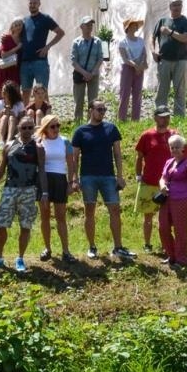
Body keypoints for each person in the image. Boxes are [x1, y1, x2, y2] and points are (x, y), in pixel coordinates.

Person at [70, 102, 130, 262]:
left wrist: (120, 176)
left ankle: (118, 247)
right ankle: (92, 246)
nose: (102, 112)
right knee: (89, 211)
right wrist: (74, 178)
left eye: (104, 109)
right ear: (90, 110)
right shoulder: (80, 131)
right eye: (99, 109)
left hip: (108, 176)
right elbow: (74, 158)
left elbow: (117, 154)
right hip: (88, 177)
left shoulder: (111, 129)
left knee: (115, 210)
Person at [0, 118, 40, 274]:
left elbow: (42, 169)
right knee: (1, 224)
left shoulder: (37, 147)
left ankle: (20, 258)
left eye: (30, 127)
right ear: (18, 128)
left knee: (26, 226)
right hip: (10, 189)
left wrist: (43, 192)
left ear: (34, 129)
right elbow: (1, 168)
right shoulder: (9, 145)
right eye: (24, 127)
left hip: (29, 190)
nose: (27, 130)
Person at [129, 107, 173, 253]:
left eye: (167, 117)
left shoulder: (174, 135)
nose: (165, 119)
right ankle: (147, 244)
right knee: (148, 216)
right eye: (162, 117)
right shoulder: (147, 135)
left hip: (168, 183)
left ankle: (166, 245)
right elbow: (139, 157)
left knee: (166, 218)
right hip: (149, 181)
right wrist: (138, 175)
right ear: (155, 118)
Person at [35, 114, 74, 262]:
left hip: (60, 179)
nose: (56, 129)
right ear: (45, 128)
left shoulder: (65, 141)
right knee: (45, 216)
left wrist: (70, 182)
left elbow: (71, 163)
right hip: (44, 180)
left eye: (58, 125)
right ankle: (47, 248)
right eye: (53, 126)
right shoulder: (39, 141)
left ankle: (66, 250)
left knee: (61, 217)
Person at [156, 133, 187, 268]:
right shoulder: (169, 162)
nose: (174, 150)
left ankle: (181, 258)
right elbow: (163, 178)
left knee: (180, 229)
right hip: (166, 198)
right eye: (172, 147)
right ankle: (171, 255)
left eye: (177, 147)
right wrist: (162, 185)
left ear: (183, 148)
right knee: (163, 227)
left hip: (181, 198)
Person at [152, 0, 187, 118]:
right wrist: (153, 51)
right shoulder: (162, 21)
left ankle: (179, 117)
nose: (177, 7)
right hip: (164, 59)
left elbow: (186, 38)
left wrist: (169, 32)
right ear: (170, 7)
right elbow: (152, 37)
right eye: (174, 5)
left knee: (180, 90)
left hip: (181, 59)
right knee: (162, 90)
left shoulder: (186, 21)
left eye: (179, 5)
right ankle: (160, 115)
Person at [19, 0, 63, 94]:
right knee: (25, 93)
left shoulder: (45, 18)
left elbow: (60, 33)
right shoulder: (24, 20)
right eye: (30, 3)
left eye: (35, 3)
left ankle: (45, 105)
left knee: (43, 93)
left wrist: (47, 47)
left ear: (39, 4)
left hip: (40, 62)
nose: (32, 5)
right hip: (25, 63)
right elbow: (16, 36)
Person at [68, 17, 104, 125]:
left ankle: (92, 123)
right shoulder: (76, 42)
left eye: (91, 25)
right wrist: (84, 73)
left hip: (93, 75)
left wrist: (92, 73)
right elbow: (73, 61)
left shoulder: (97, 41)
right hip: (80, 75)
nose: (89, 27)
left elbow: (100, 58)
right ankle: (78, 123)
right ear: (81, 27)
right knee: (79, 100)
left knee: (93, 101)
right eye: (87, 25)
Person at [115, 18, 146, 123]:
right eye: (133, 25)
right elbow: (124, 58)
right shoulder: (123, 42)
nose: (136, 26)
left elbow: (144, 54)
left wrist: (141, 65)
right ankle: (121, 118)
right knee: (125, 93)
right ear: (128, 28)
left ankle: (135, 119)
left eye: (136, 25)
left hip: (140, 68)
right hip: (127, 68)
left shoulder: (141, 40)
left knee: (137, 94)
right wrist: (135, 65)